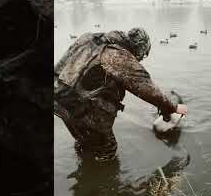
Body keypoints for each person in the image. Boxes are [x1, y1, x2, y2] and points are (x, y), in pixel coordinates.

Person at [54, 28, 187, 162]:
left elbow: (60, 66)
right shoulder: (119, 56)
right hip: (83, 108)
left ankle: (84, 167)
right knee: (107, 149)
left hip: (61, 102)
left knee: (85, 140)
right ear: (139, 48)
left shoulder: (89, 38)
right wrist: (172, 108)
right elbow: (147, 89)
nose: (140, 59)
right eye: (142, 55)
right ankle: (102, 179)